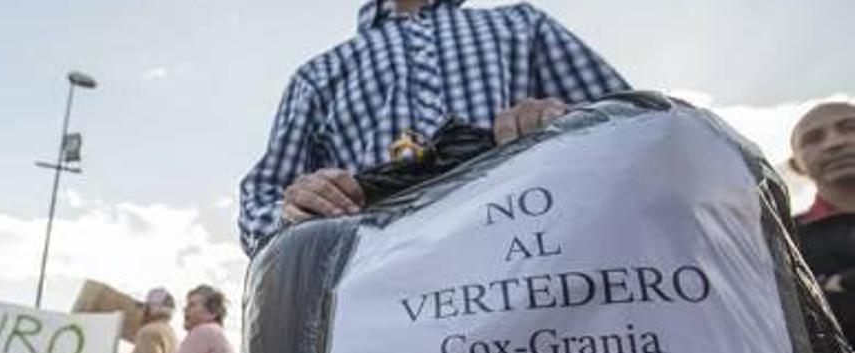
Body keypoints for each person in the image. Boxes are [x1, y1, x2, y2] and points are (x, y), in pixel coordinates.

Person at [237, 0, 628, 255]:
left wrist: (565, 121)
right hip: (382, 284)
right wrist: (295, 208)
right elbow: (262, 197)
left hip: (535, 264)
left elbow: (637, 128)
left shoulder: (522, 25)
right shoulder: (320, 74)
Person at [793, 102, 855, 339]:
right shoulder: (779, 244)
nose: (834, 143)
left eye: (850, 127)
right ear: (796, 164)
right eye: (813, 138)